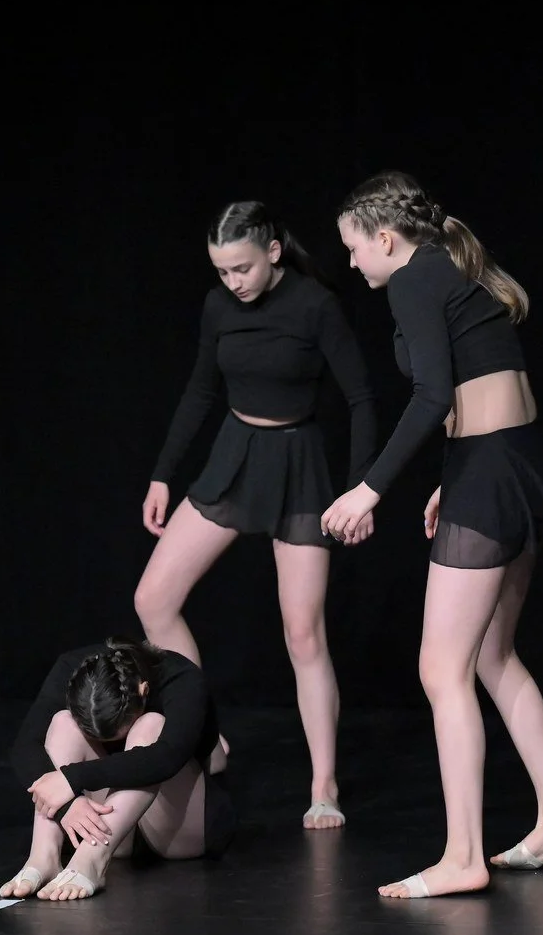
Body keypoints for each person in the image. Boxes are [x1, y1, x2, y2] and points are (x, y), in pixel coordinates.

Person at [320, 170, 543, 897]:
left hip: (491, 466)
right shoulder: (451, 267)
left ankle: (463, 857)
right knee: (492, 656)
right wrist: (454, 476)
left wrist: (368, 488)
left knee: (442, 670)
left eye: (352, 248)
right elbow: (479, 383)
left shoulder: (414, 278)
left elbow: (433, 392)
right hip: (514, 458)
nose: (351, 262)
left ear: (384, 239)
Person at [134, 201, 377, 831]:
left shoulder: (315, 306)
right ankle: (205, 735)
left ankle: (324, 783)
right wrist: (163, 473)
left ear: (272, 251)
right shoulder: (219, 307)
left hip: (298, 465)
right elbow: (200, 390)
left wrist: (362, 489)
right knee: (153, 599)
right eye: (221, 271)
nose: (232, 282)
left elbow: (360, 397)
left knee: (304, 634)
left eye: (241, 268)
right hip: (234, 456)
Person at [0, 638, 234, 901]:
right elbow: (24, 747)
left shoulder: (179, 677)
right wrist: (68, 803)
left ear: (144, 691)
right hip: (110, 826)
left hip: (175, 829)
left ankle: (92, 859)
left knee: (150, 725)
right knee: (63, 722)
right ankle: (44, 856)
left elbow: (167, 757)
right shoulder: (71, 669)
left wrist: (72, 779)